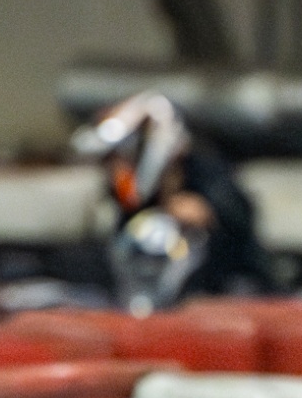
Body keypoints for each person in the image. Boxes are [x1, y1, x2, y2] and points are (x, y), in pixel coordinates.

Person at [72, 91, 271, 299]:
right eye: (110, 164)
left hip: (227, 296)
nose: (116, 174)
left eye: (120, 160)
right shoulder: (129, 206)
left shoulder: (210, 181)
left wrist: (210, 215)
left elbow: (242, 232)